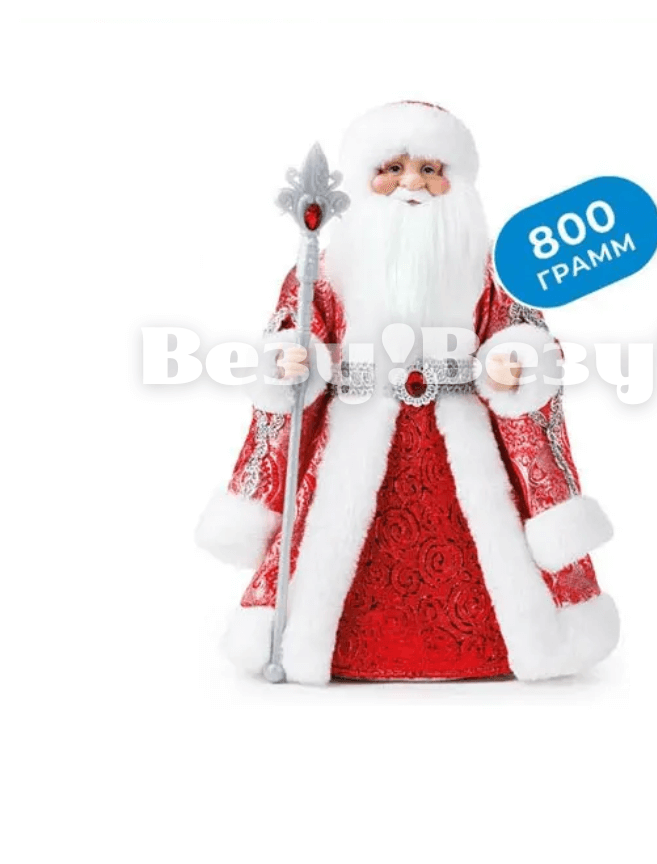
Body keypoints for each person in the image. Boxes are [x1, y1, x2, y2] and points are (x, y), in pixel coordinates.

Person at [196, 101, 619, 683]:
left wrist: (513, 362)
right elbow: (297, 329)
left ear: (456, 181)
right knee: (336, 539)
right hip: (354, 434)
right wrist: (294, 358)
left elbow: (519, 332)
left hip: (462, 440)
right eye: (392, 169)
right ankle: (321, 642)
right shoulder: (325, 270)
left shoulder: (490, 268)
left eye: (429, 169)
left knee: (486, 535)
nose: (412, 184)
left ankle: (514, 641)